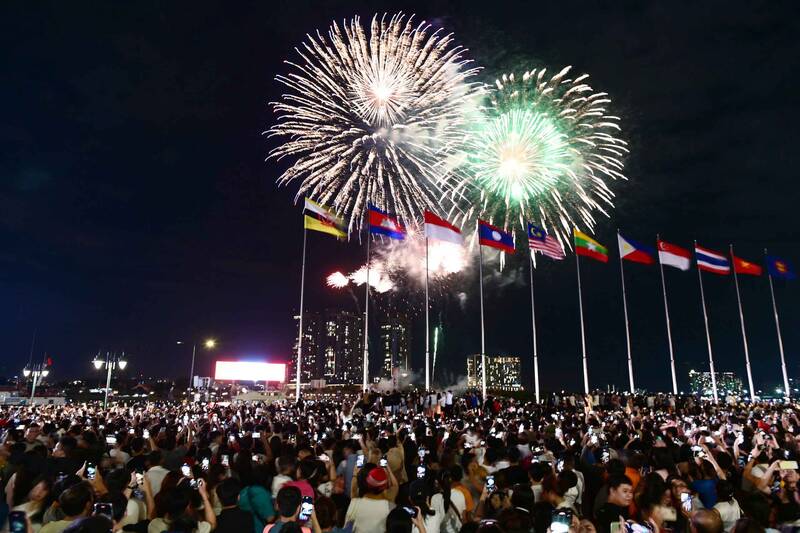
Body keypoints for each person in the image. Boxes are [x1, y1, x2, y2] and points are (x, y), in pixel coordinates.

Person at [345, 468, 396, 533]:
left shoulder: (354, 504)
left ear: (368, 484)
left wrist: (355, 474)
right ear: (385, 486)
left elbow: (347, 529)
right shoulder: (390, 507)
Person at [239, 465, 275, 533]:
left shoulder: (244, 491)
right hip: (259, 529)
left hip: (245, 528)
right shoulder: (262, 493)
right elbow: (270, 518)